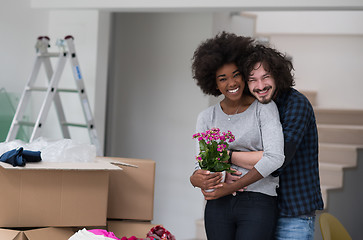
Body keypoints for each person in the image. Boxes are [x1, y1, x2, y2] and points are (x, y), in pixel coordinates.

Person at [202, 43, 324, 239]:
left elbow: (277, 160)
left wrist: (227, 155)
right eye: (252, 80)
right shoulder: (256, 106)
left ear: (277, 75)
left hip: (293, 211)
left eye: (266, 77)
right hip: (265, 204)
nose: (260, 86)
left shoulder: (296, 104)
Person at [190, 32, 284, 240]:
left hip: (258, 202)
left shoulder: (264, 109)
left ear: (243, 73)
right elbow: (201, 167)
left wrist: (231, 186)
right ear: (215, 84)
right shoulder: (207, 117)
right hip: (217, 206)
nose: (232, 83)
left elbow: (275, 158)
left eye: (236, 75)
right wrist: (196, 180)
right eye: (223, 79)